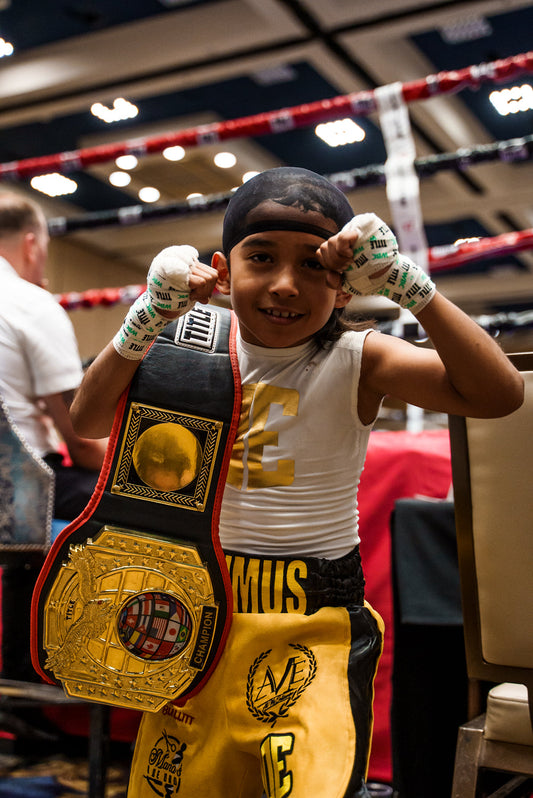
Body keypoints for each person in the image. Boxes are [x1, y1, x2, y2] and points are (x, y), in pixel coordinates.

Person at [70, 167, 523, 798]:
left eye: (313, 264)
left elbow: (500, 394)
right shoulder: (187, 344)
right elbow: (87, 420)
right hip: (198, 615)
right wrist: (147, 316)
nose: (286, 284)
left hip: (313, 623)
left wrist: (407, 284)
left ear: (343, 288)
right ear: (222, 272)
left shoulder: (360, 357)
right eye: (262, 258)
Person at [0, 191, 107, 521]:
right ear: (31, 245)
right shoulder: (30, 303)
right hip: (15, 485)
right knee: (136, 501)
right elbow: (83, 443)